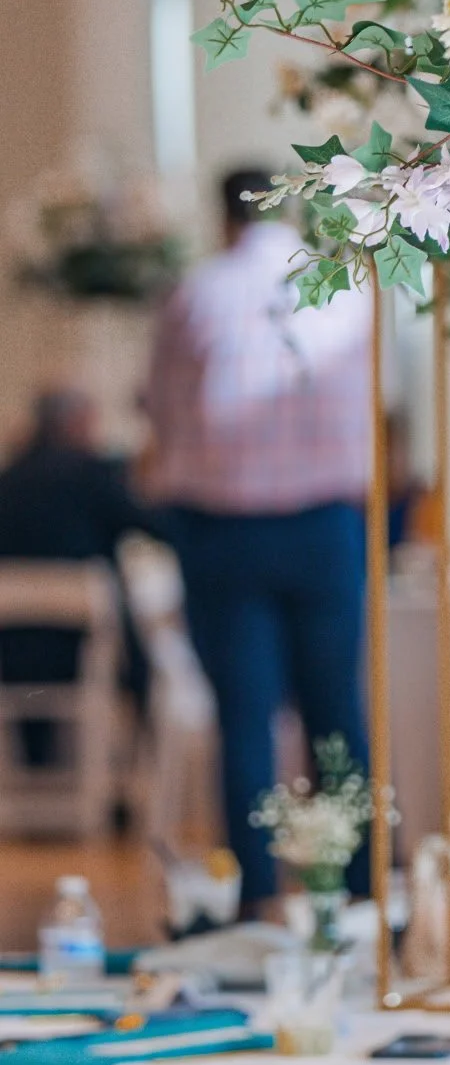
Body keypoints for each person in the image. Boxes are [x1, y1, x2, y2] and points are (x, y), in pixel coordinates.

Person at [144, 169, 372, 914]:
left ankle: (257, 896)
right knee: (335, 710)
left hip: (225, 527)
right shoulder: (345, 285)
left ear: (222, 218)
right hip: (324, 524)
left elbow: (163, 410)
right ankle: (360, 890)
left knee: (245, 717)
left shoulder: (196, 291)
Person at [0, 388, 161, 767]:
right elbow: (151, 524)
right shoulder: (91, 474)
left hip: (15, 648)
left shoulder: (8, 478)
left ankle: (37, 770)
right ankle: (135, 770)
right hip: (86, 644)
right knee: (139, 659)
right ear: (74, 424)